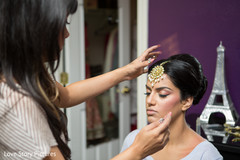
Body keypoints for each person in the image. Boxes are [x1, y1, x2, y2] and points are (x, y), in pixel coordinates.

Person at [0, 0, 171, 160]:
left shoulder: (24, 74)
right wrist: (137, 150)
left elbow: (65, 95)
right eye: (63, 25)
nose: (67, 34)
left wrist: (126, 72)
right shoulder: (16, 102)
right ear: (38, 28)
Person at [120, 54, 223, 160]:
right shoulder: (133, 140)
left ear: (186, 101)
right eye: (147, 93)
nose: (149, 101)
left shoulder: (206, 155)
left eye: (162, 94)